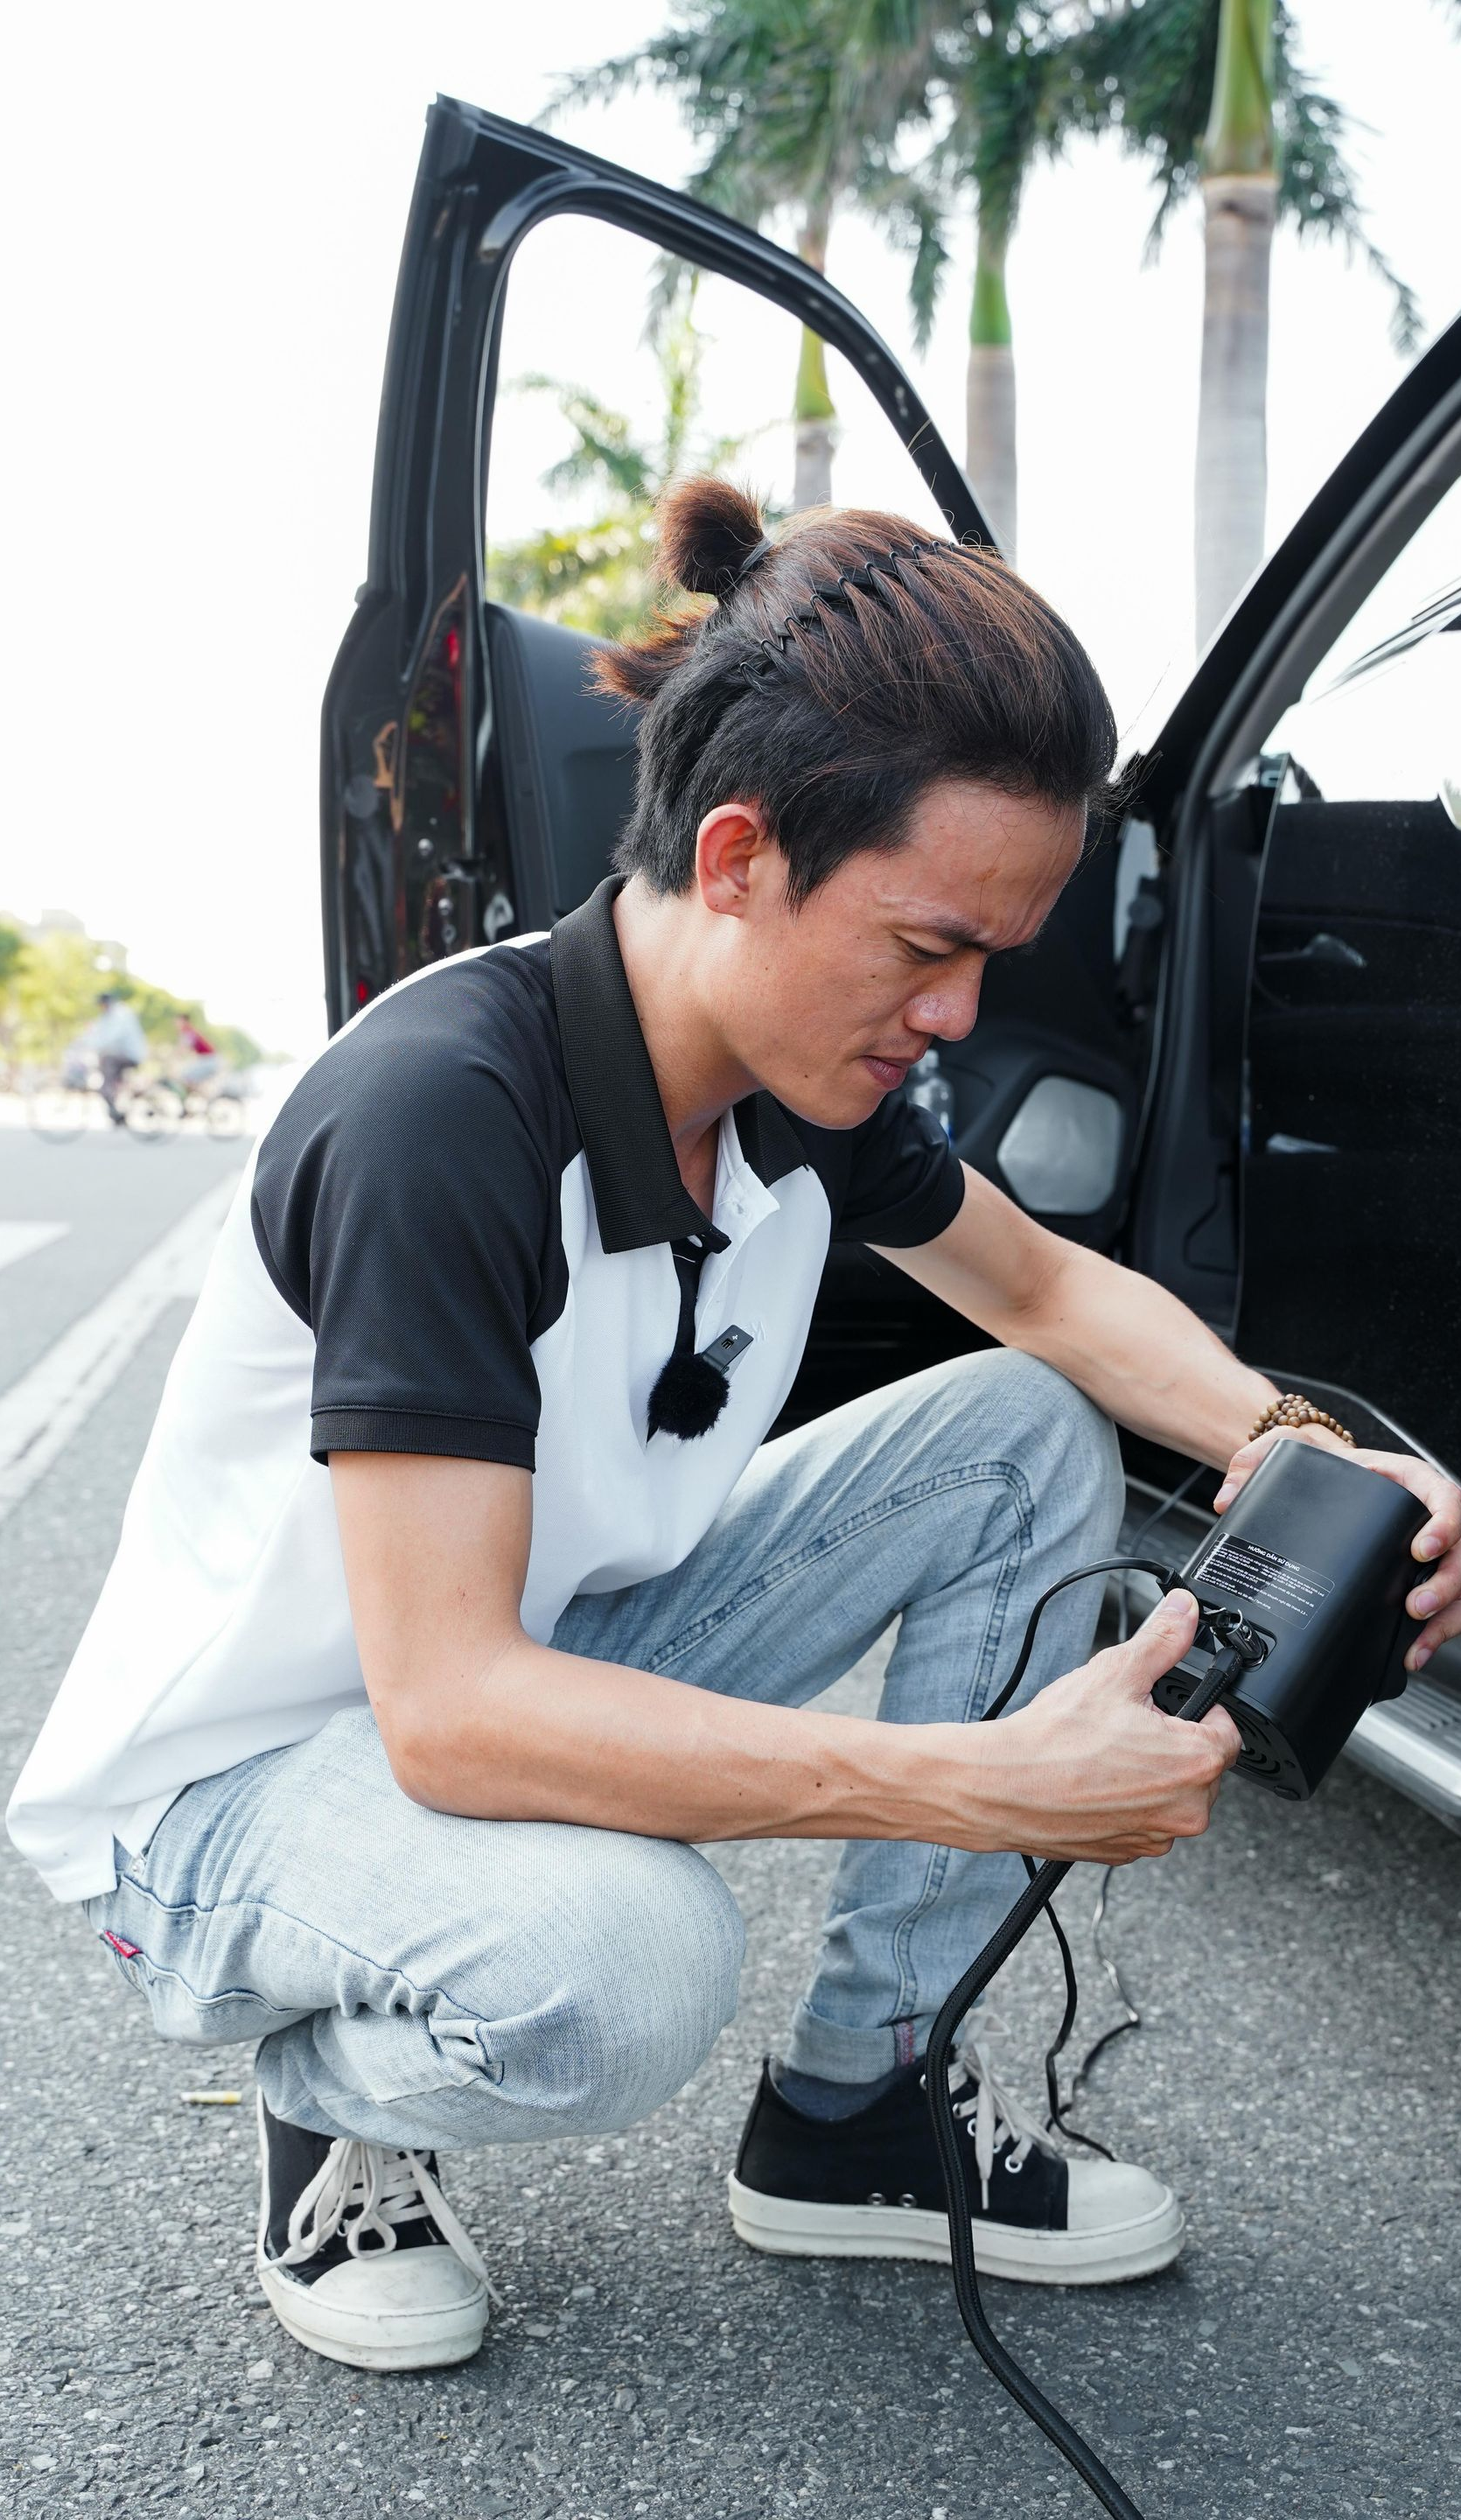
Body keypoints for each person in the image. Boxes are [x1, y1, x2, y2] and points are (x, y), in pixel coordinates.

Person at [10, 483, 1458, 2380]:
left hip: (510, 1665)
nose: (950, 1017)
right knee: (627, 1963)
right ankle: (342, 2088)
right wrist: (984, 1781)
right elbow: (448, 1708)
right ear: (738, 856)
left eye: (990, 969)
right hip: (244, 1788)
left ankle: (857, 2112)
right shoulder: (443, 1112)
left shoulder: (800, 1078)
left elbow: (1043, 1300)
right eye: (926, 947)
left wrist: (1309, 1449)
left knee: (1020, 1427)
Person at [72, 989, 147, 1124]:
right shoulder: (107, 1016)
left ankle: (110, 1095)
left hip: (130, 1054)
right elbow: (95, 1032)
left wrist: (93, 1045)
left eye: (102, 1005)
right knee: (107, 1066)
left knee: (106, 1064)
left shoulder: (121, 1014)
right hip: (120, 1054)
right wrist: (79, 1043)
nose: (101, 1008)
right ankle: (116, 1108)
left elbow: (111, 1036)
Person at [173, 1012, 220, 1093]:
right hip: (209, 1060)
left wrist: (175, 1056)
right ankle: (193, 1096)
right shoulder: (188, 1031)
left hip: (208, 1060)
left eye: (178, 1021)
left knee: (186, 1076)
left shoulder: (189, 1032)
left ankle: (191, 1098)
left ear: (184, 1021)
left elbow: (183, 1049)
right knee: (189, 1078)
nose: (176, 1023)